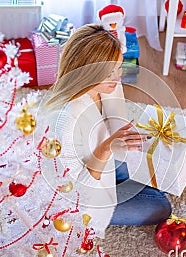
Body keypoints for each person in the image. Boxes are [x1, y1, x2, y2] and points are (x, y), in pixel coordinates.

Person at [43, 24, 171, 238]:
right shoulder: (65, 120)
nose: (117, 78)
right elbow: (78, 192)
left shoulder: (101, 87)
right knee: (161, 206)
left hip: (103, 162)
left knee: (162, 172)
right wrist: (105, 149)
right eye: (109, 72)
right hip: (84, 196)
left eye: (119, 68)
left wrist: (124, 140)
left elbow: (116, 123)